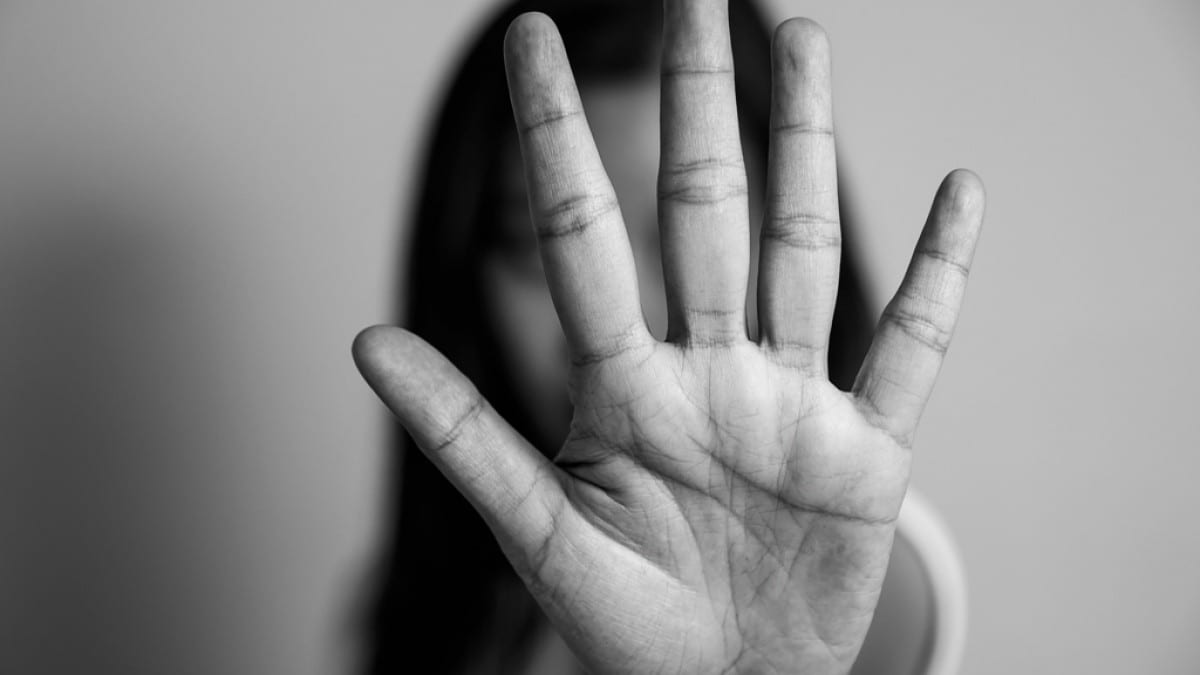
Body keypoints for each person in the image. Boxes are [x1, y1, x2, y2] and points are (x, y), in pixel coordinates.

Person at [354, 0, 985, 672]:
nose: (618, 326)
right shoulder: (451, 598)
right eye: (535, 245)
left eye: (675, 236)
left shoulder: (856, 576)